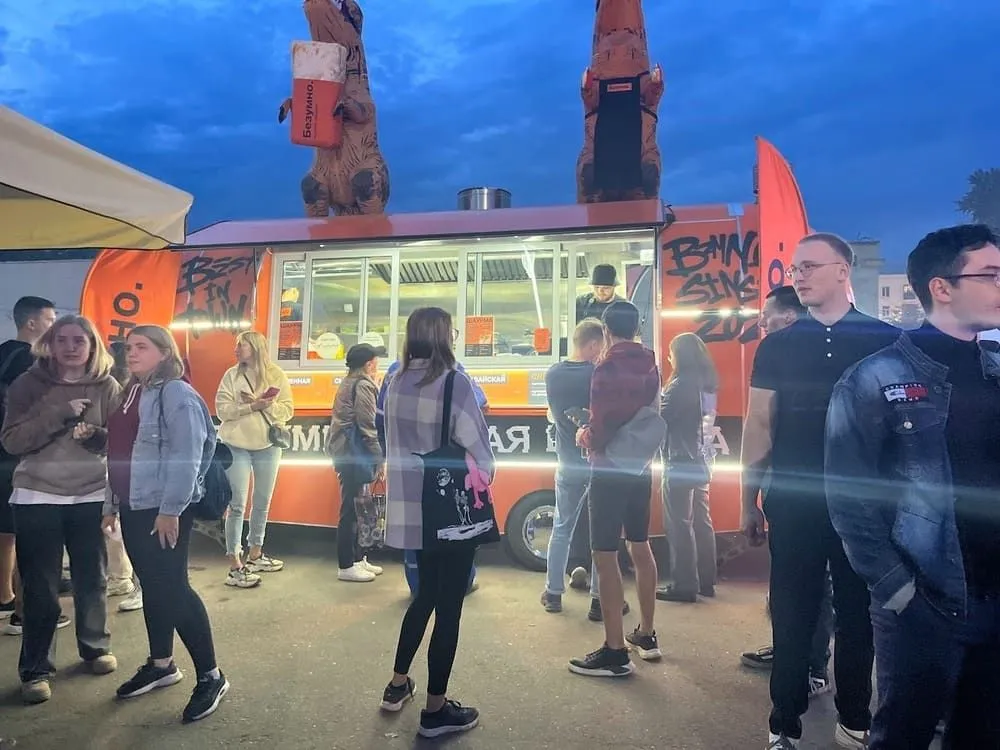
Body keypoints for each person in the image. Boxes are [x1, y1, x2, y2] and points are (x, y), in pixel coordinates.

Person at [826, 224, 1000, 749]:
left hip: (995, 595)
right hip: (925, 601)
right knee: (903, 735)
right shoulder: (874, 378)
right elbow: (847, 496)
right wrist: (898, 590)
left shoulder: (996, 370)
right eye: (990, 274)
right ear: (941, 287)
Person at [740, 234, 899, 749]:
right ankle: (783, 721)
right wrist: (748, 498)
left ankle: (854, 717)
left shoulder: (888, 340)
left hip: (866, 507)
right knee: (791, 613)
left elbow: (904, 432)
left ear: (843, 270)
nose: (799, 276)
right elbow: (759, 424)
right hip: (795, 502)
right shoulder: (777, 345)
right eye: (795, 269)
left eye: (809, 266)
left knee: (859, 615)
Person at [104, 325, 229, 723]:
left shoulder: (176, 393)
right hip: (134, 504)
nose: (132, 353)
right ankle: (162, 665)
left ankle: (211, 676)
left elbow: (188, 454)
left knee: (172, 588)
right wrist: (111, 502)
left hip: (162, 508)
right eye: (129, 347)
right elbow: (119, 451)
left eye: (142, 347)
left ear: (164, 352)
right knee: (153, 586)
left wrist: (171, 509)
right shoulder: (132, 392)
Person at [379, 307, 494, 738]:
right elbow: (480, 451)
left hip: (411, 510)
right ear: (445, 336)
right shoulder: (454, 382)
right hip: (450, 513)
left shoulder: (395, 381)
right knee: (449, 609)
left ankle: (397, 685)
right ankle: (435, 710)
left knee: (424, 594)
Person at [1, 315, 121, 705]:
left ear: (92, 345)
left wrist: (97, 437)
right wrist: (59, 414)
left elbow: (121, 443)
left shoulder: (107, 386)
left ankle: (95, 648)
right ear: (49, 345)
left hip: (90, 495)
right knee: (41, 587)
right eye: (62, 340)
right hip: (37, 496)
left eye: (79, 340)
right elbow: (12, 441)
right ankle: (36, 670)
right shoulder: (27, 384)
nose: (70, 347)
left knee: (92, 579)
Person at [741, 286, 834, 698]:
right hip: (791, 489)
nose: (763, 323)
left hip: (816, 493)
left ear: (791, 317)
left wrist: (750, 501)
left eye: (768, 316)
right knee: (793, 585)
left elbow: (761, 426)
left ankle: (812, 666)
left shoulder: (808, 356)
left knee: (813, 585)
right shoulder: (781, 354)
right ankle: (791, 653)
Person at [570, 300, 662, 677]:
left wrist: (584, 435)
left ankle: (614, 650)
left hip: (609, 469)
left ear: (606, 331)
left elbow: (603, 423)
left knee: (604, 554)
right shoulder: (651, 362)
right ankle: (647, 634)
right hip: (640, 466)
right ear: (637, 328)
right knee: (640, 544)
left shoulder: (606, 367)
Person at [376, 330, 488, 595]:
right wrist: (485, 468)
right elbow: (478, 408)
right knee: (454, 529)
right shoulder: (455, 372)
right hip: (446, 471)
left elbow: (380, 421)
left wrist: (387, 455)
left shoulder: (394, 374)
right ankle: (460, 583)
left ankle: (418, 587)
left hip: (406, 470)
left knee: (414, 532)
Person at [215, 331, 293, 587]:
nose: (236, 350)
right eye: (236, 345)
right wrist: (250, 407)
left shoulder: (276, 374)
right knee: (237, 504)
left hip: (268, 444)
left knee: (262, 501)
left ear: (256, 348)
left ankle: (256, 553)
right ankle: (234, 563)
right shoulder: (231, 375)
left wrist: (266, 404)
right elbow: (222, 410)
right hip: (235, 445)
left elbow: (288, 410)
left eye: (242, 346)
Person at [0, 297, 58, 633]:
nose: (54, 326)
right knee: (31, 533)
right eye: (50, 320)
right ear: (32, 323)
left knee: (6, 530)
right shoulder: (30, 361)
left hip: (2, 454)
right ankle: (25, 611)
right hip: (22, 454)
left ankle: (5, 597)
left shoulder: (3, 353)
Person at [540, 319, 605, 615]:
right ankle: (598, 600)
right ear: (592, 344)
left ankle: (553, 593)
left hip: (567, 462)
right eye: (601, 345)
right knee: (601, 533)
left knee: (561, 528)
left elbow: (554, 415)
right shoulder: (598, 374)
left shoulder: (552, 373)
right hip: (597, 463)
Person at [656, 332, 719, 602]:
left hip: (680, 460)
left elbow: (660, 417)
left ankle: (684, 585)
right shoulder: (707, 383)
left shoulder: (680, 385)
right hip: (703, 459)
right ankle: (706, 581)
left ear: (680, 356)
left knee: (680, 524)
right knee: (703, 522)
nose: (669, 359)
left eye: (671, 354)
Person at [326, 343, 385, 583]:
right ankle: (346, 564)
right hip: (354, 454)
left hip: (346, 452)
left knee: (359, 508)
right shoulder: (363, 386)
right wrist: (379, 459)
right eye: (376, 361)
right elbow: (368, 426)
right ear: (369, 364)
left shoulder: (349, 382)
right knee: (351, 510)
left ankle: (358, 558)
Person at [104, 341, 143, 613]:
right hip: (118, 467)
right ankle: (123, 578)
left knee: (130, 533)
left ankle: (133, 582)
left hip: (130, 471)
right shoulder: (118, 388)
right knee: (117, 529)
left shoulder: (127, 390)